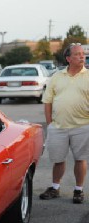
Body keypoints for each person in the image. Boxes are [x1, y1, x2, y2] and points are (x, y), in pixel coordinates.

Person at [40, 43, 89, 204]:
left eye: (83, 54)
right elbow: (47, 101)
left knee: (80, 159)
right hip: (58, 127)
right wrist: (50, 124)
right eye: (77, 54)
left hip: (82, 126)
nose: (82, 56)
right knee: (58, 160)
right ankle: (55, 187)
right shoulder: (57, 77)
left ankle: (78, 190)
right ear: (68, 58)